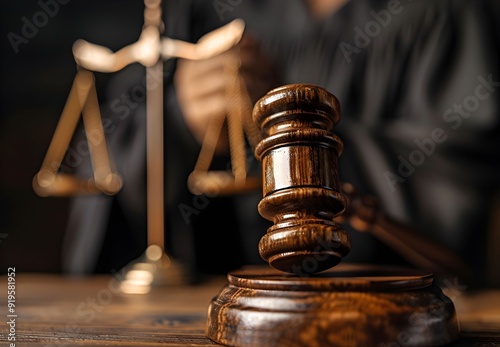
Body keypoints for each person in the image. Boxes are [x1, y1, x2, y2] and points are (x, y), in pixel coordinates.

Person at [61, 0, 500, 287]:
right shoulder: (202, 13)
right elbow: (106, 169)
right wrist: (182, 118)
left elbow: (454, 183)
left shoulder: (439, 13)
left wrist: (293, 135)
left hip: (383, 322)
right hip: (202, 316)